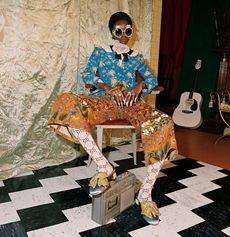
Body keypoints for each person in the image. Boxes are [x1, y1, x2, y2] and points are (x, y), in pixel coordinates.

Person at [48, 12, 178, 225]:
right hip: (104, 102)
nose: (124, 34)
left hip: (133, 106)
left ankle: (145, 195)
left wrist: (141, 86)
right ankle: (103, 166)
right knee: (66, 101)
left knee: (163, 122)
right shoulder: (100, 52)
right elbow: (88, 74)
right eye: (119, 30)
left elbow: (152, 80)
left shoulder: (137, 57)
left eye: (128, 30)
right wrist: (106, 86)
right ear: (112, 32)